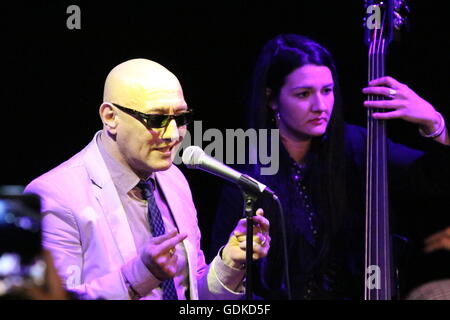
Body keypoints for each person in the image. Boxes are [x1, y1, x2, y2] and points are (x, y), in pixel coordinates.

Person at [210, 34, 450, 299]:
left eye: (327, 90)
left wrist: (434, 122)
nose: (320, 106)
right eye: (303, 94)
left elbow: (432, 179)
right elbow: (227, 274)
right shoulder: (247, 166)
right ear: (272, 99)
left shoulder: (354, 145)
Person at [24, 58, 270, 300]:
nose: (173, 135)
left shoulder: (173, 179)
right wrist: (140, 276)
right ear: (110, 117)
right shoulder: (54, 195)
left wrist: (229, 262)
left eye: (181, 118)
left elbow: (190, 293)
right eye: (156, 119)